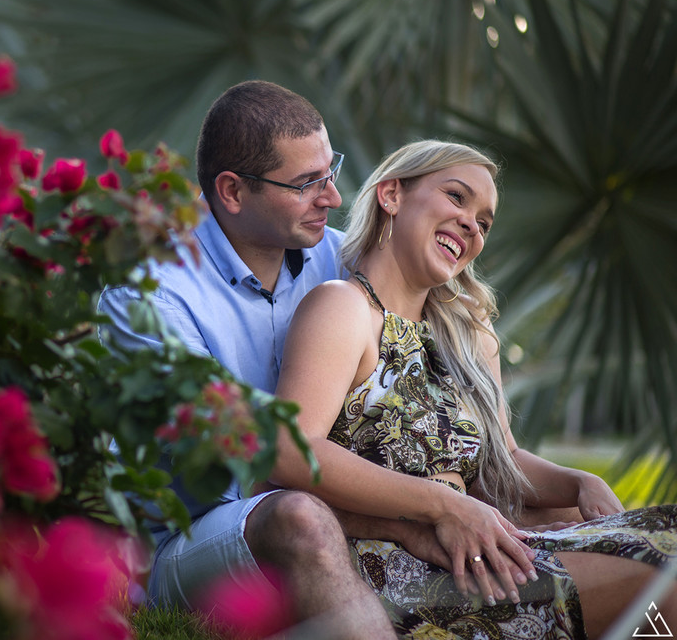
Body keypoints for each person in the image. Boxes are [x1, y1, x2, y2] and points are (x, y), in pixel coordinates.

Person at [269, 139, 677, 638]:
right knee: (661, 582)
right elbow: (292, 449)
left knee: (669, 540)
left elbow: (502, 460)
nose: (472, 226)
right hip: (403, 570)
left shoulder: (470, 335)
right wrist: (445, 506)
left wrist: (576, 482)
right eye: (457, 198)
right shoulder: (344, 309)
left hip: (481, 548)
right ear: (392, 195)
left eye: (484, 222)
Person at [100, 81, 445, 639]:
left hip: (324, 496)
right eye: (307, 184)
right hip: (194, 537)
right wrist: (409, 515)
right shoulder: (148, 295)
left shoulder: (338, 256)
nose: (332, 198)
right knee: (300, 519)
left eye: (329, 171)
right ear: (232, 192)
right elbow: (250, 463)